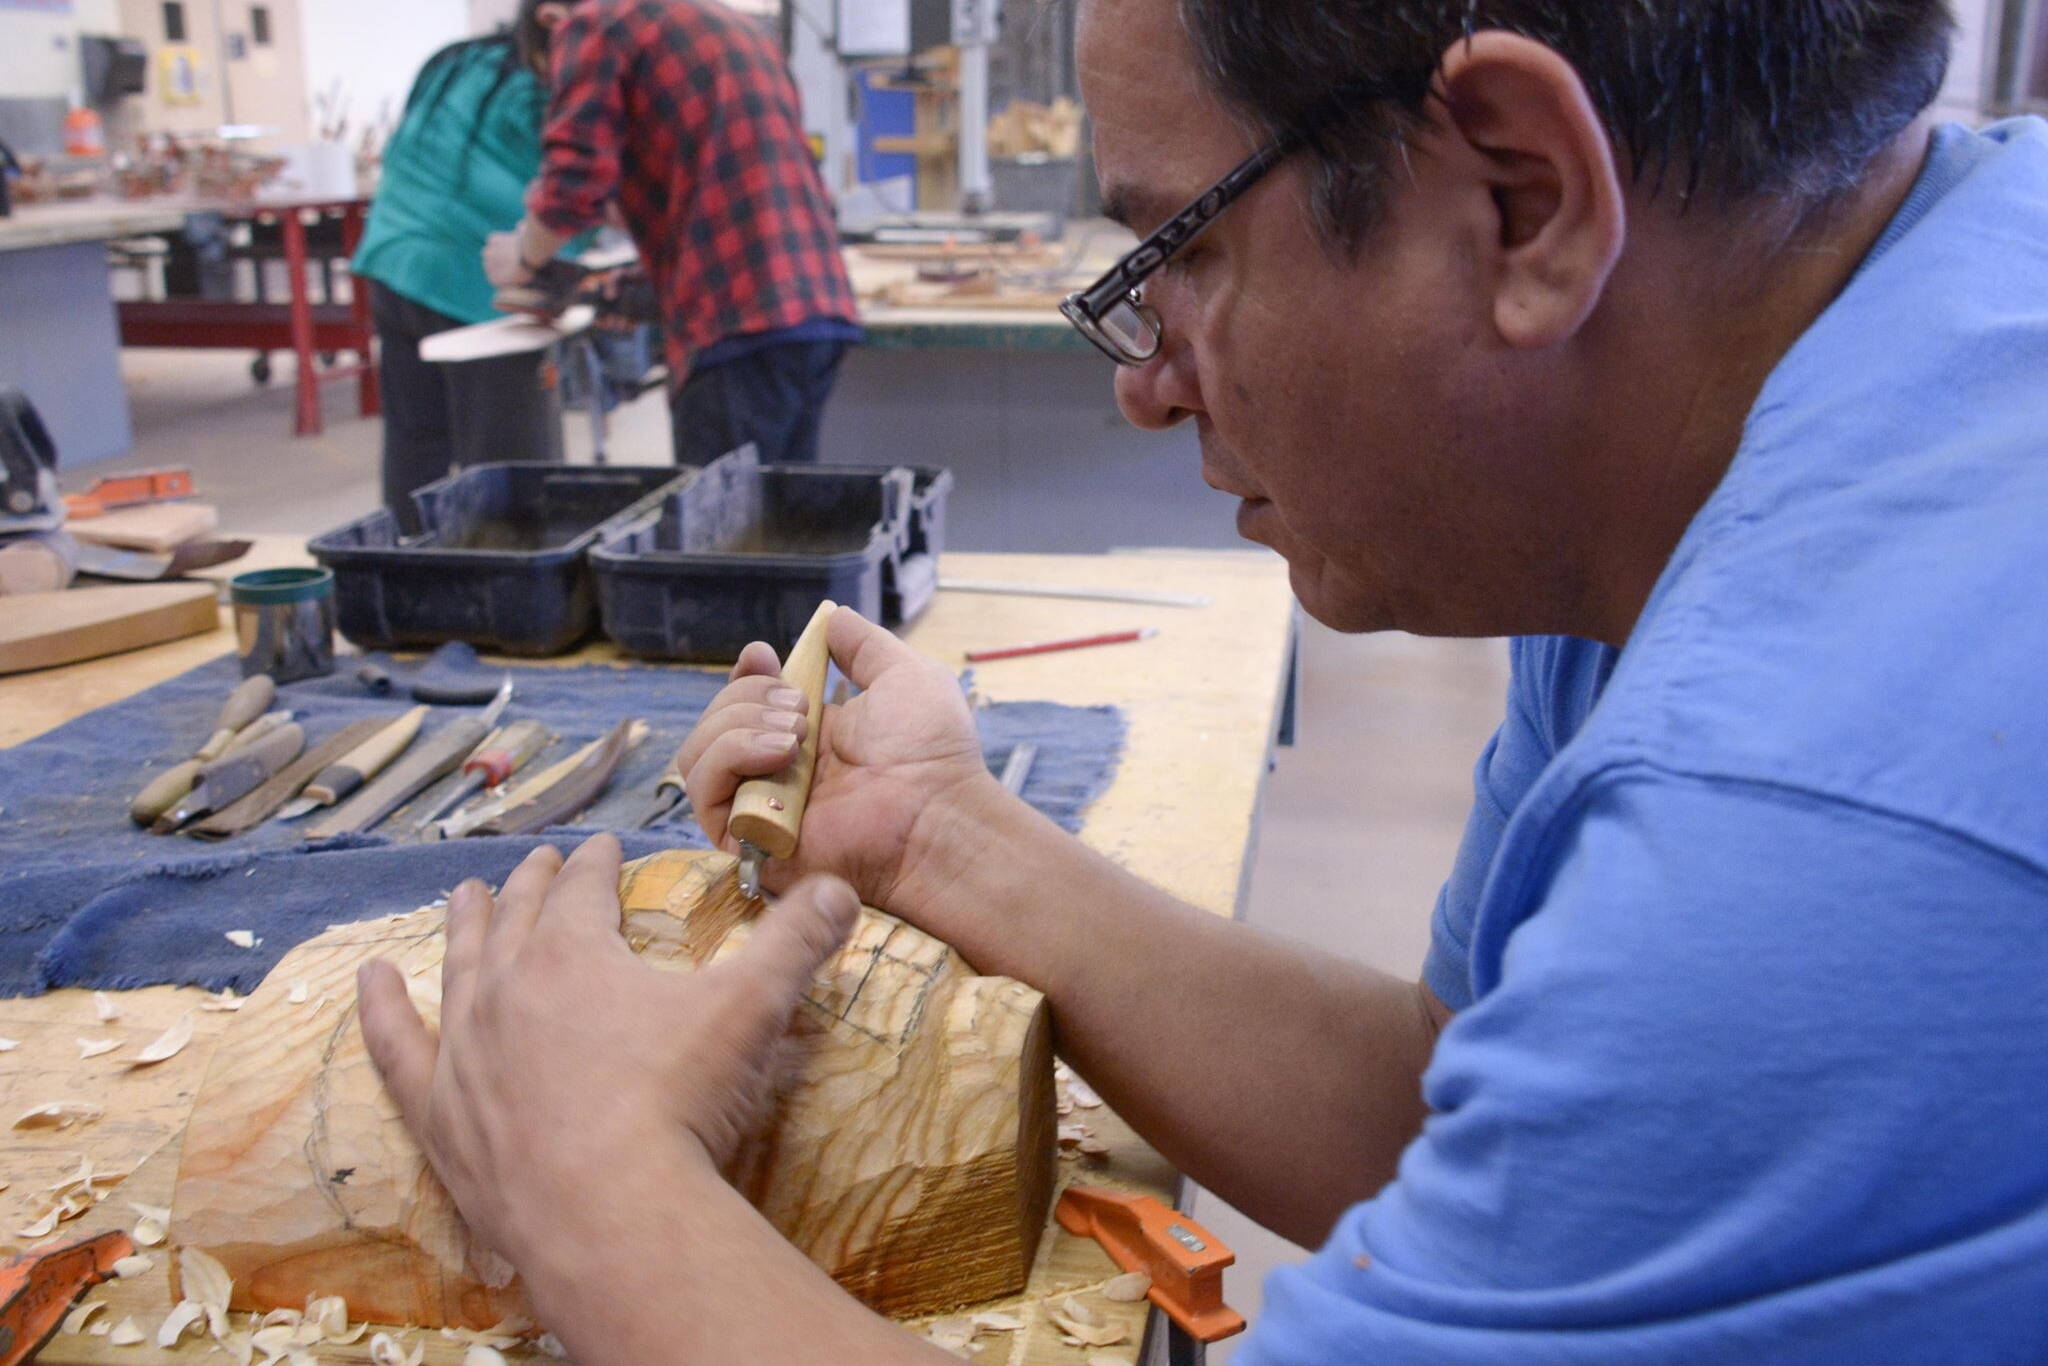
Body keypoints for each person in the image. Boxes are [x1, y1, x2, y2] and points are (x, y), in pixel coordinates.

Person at [355, 0, 2048, 1361]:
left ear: (1520, 197)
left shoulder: (1806, 811)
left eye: (1177, 254)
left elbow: (1700, 1019)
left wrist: (586, 1185)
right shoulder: (1774, 396)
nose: (1143, 386)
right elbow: (1450, 1108)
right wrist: (937, 832)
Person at [482, 0, 862, 468]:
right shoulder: (738, 27)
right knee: (783, 524)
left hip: (736, 327)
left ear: (550, 19)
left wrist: (522, 257)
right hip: (816, 313)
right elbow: (717, 205)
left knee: (719, 534)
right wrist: (612, 290)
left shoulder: (594, 23)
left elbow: (573, 187)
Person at [352, 2, 572, 530]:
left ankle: (407, 579)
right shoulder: (545, 90)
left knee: (416, 446)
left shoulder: (452, 60)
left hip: (393, 265)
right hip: (478, 289)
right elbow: (575, 191)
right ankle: (509, 595)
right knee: (512, 473)